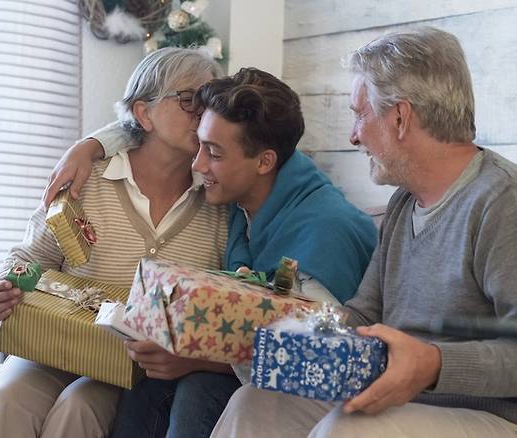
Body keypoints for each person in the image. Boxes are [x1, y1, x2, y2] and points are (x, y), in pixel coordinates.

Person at [210, 27, 517, 437]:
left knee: (347, 430)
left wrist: (432, 363)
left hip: (489, 416)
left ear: (400, 118)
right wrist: (269, 316)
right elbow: (362, 316)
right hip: (400, 398)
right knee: (256, 404)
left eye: (359, 114)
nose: (354, 136)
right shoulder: (404, 203)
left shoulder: (500, 201)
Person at [43, 68, 377, 438]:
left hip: (313, 387)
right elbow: (151, 124)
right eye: (200, 144)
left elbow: (313, 361)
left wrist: (198, 359)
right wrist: (89, 146)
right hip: (242, 366)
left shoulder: (323, 233)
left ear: (264, 162)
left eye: (213, 153)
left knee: (198, 389)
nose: (197, 164)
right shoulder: (249, 196)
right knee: (147, 386)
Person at [0, 47, 232, 438]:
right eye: (190, 99)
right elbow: (27, 258)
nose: (202, 113)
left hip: (125, 365)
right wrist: (9, 283)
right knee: (7, 398)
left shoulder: (218, 205)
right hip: (52, 343)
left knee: (80, 408)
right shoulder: (87, 178)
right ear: (144, 114)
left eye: (211, 102)